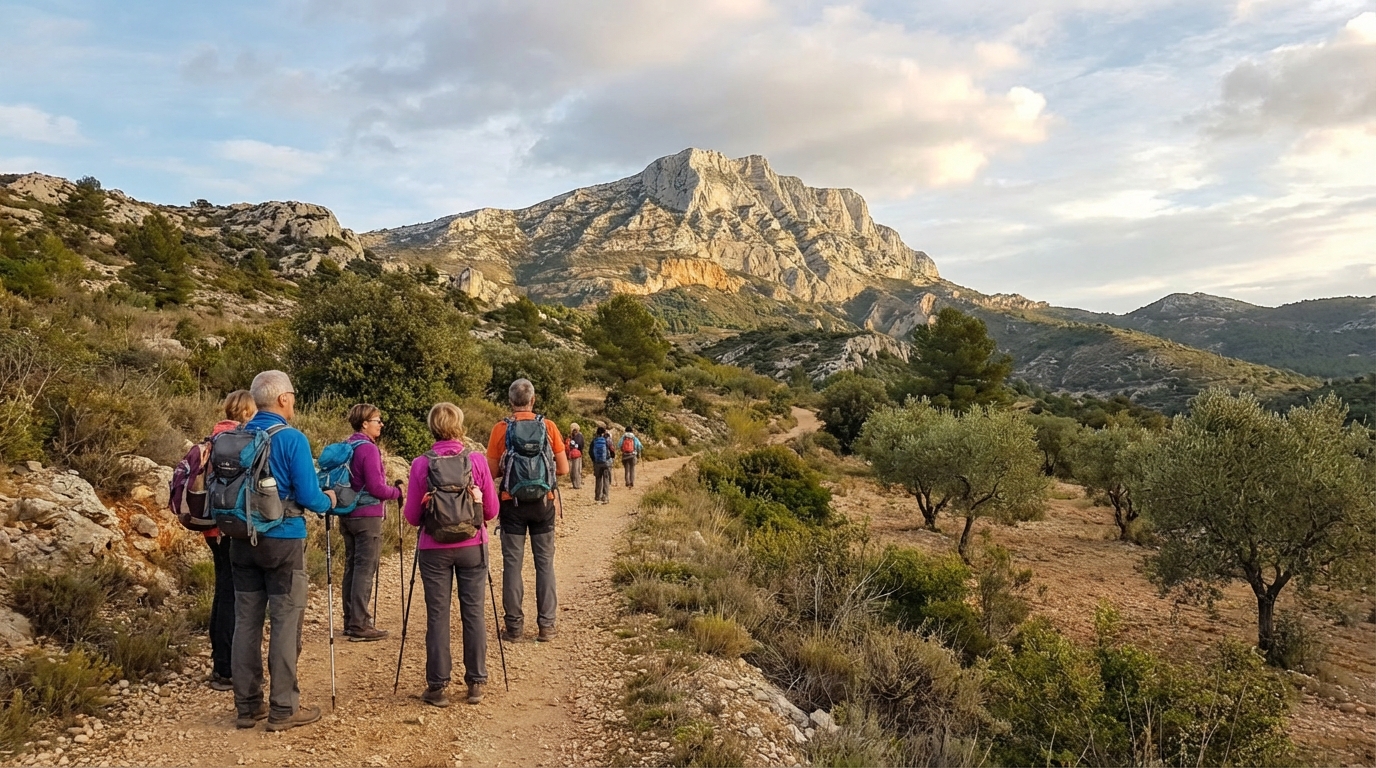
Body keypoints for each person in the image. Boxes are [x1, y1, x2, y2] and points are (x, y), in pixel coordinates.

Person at [232, 370, 336, 732]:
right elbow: (310, 498)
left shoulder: (237, 434)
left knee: (245, 621)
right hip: (283, 538)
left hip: (240, 539)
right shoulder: (292, 439)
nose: (293, 399)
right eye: (291, 394)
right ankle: (283, 708)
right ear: (282, 399)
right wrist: (330, 500)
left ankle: (247, 707)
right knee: (285, 621)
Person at [403, 403, 500, 706]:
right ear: (460, 426)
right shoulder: (476, 461)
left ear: (432, 427)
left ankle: (437, 686)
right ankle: (476, 683)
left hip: (434, 549)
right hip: (473, 546)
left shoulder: (421, 464)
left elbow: (412, 517)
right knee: (473, 613)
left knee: (438, 615)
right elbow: (492, 511)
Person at [486, 378, 568, 643]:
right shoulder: (549, 426)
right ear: (533, 400)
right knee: (544, 565)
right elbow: (564, 469)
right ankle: (547, 626)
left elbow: (492, 472)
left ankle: (514, 628)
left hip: (512, 504)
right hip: (544, 503)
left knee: (512, 566)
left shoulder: (501, 428)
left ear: (511, 402)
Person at [205, 390, 257, 692]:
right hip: (231, 526)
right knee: (231, 595)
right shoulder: (238, 440)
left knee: (221, 591)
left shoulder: (213, 437)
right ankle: (226, 667)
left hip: (212, 525)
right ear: (248, 411)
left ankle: (219, 661)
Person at [340, 404, 402, 642]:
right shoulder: (368, 449)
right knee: (365, 570)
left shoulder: (348, 445)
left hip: (347, 513)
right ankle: (360, 624)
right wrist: (397, 492)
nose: (381, 424)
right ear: (364, 423)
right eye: (377, 420)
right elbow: (376, 488)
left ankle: (350, 620)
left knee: (352, 567)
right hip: (367, 516)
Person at [590, 426, 615, 505]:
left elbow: (590, 451)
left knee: (598, 479)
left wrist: (594, 460)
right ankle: (605, 496)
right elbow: (612, 449)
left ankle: (598, 496)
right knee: (606, 479)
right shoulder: (607, 440)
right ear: (604, 432)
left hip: (597, 463)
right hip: (606, 462)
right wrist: (612, 456)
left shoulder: (594, 441)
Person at [566, 423, 585, 490]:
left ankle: (575, 484)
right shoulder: (580, 436)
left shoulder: (571, 436)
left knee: (573, 470)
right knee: (577, 470)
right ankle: (577, 484)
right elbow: (581, 445)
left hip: (572, 455)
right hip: (577, 454)